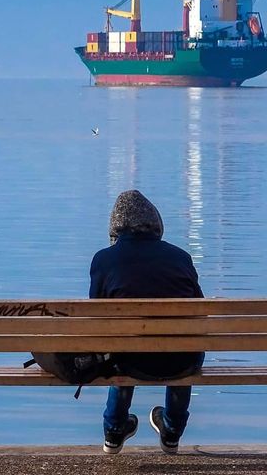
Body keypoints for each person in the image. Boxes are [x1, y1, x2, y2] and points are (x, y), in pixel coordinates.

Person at [90, 190, 204, 455]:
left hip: (129, 361)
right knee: (185, 344)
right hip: (180, 360)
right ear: (156, 224)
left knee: (122, 347)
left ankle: (115, 430)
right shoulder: (180, 257)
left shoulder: (103, 260)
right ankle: (172, 430)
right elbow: (199, 312)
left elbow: (96, 316)